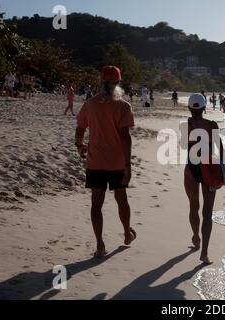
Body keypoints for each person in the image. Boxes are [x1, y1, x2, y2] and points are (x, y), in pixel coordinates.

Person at [75, 66, 137, 258]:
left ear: (101, 82)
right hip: (117, 162)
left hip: (95, 162)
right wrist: (128, 165)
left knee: (96, 203)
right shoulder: (123, 106)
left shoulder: (90, 104)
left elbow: (80, 128)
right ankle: (127, 233)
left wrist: (80, 145)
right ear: (118, 83)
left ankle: (100, 244)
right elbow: (125, 137)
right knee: (121, 199)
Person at [181, 93, 225, 265]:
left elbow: (184, 145)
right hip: (209, 168)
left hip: (192, 169)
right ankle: (204, 253)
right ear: (204, 108)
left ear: (189, 108)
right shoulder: (212, 125)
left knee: (194, 206)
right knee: (207, 213)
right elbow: (220, 149)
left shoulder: (186, 125)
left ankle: (195, 237)